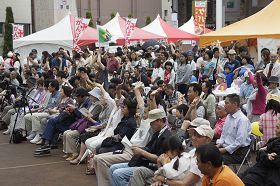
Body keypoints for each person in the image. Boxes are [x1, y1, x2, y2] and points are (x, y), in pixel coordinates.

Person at [110, 108, 171, 186]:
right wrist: (139, 148)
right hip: (145, 163)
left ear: (159, 121)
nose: (150, 124)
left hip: (153, 168)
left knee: (117, 174)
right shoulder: (157, 133)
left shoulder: (166, 137)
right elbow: (149, 148)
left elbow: (160, 159)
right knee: (113, 168)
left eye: (152, 122)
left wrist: (142, 152)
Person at [149, 125, 214, 186]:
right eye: (194, 135)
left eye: (198, 136)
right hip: (173, 179)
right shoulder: (193, 151)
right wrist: (159, 179)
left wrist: (163, 179)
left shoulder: (204, 158)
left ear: (208, 140)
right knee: (142, 172)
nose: (193, 138)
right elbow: (177, 170)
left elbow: (183, 183)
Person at [240, 121, 280, 186]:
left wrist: (264, 154)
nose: (275, 129)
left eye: (277, 128)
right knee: (237, 178)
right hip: (259, 169)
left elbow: (273, 161)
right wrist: (265, 155)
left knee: (244, 182)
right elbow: (258, 156)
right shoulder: (273, 140)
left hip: (269, 175)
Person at [216, 93, 251, 164]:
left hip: (238, 153)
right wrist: (218, 145)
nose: (224, 105)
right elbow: (223, 135)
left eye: (226, 103)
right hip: (227, 147)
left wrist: (223, 150)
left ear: (235, 104)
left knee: (211, 158)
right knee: (205, 149)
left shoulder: (242, 120)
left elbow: (239, 143)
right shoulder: (229, 116)